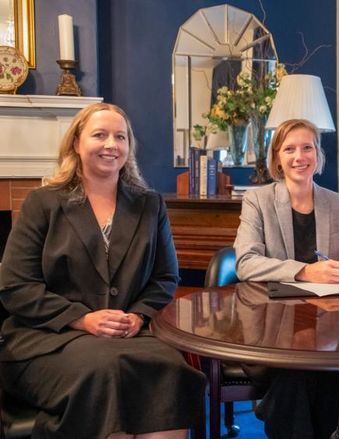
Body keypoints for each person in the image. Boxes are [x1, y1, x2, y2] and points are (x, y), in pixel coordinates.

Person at [0, 103, 206, 438]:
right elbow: (15, 286)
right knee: (105, 373)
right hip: (50, 337)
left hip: (128, 333)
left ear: (128, 147)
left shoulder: (149, 205)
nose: (111, 144)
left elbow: (165, 278)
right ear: (76, 143)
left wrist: (138, 316)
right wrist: (82, 319)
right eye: (100, 135)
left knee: (171, 369)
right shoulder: (43, 203)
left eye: (120, 137)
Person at [234, 118, 339, 439]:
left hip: (327, 326)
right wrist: (305, 271)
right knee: (299, 375)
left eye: (307, 147)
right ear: (277, 157)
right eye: (289, 149)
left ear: (318, 155)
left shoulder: (337, 203)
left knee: (328, 373)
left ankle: (273, 406)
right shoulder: (258, 200)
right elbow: (245, 263)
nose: (299, 156)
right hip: (270, 329)